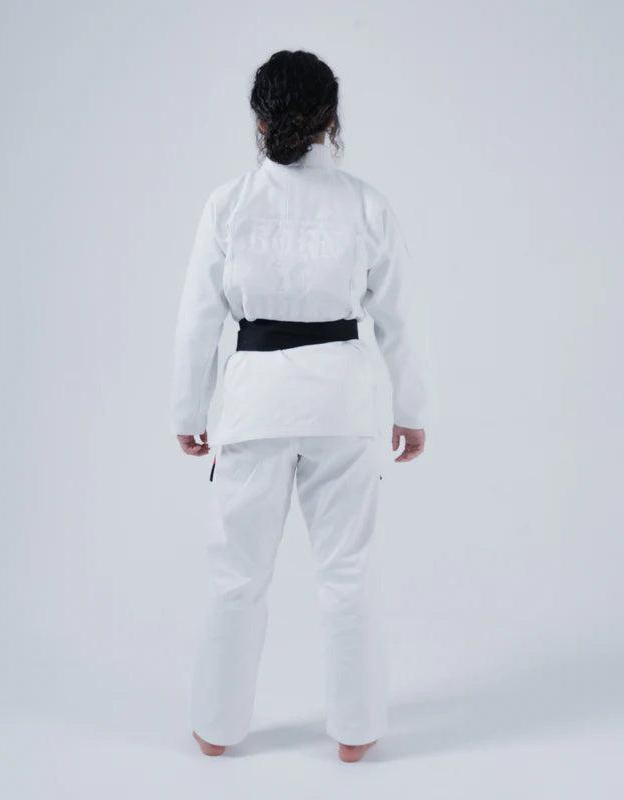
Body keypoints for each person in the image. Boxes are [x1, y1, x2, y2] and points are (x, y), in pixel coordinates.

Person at [170, 49, 429, 763]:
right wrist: (410, 410)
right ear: (331, 122)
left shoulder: (228, 205)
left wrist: (188, 411)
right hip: (343, 404)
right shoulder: (367, 204)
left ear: (259, 122)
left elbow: (198, 320)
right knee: (348, 570)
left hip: (255, 405)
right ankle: (356, 731)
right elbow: (399, 320)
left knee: (237, 574)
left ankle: (217, 728)